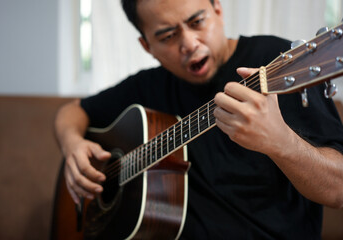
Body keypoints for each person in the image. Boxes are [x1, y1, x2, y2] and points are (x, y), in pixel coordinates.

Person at [54, 0, 343, 238]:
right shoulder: (148, 86)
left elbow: (338, 191)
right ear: (146, 47)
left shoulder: (276, 64)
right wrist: (72, 146)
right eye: (168, 36)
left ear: (218, 9)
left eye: (197, 22)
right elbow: (72, 112)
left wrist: (281, 143)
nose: (189, 43)